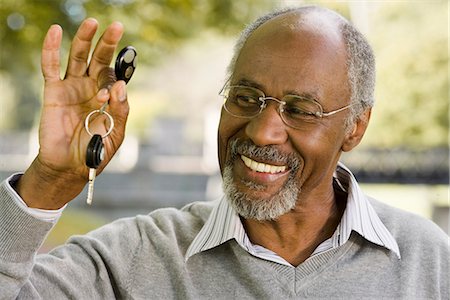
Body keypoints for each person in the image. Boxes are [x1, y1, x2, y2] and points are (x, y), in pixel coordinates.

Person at [0, 5, 448, 299]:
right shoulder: (134, 258)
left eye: (300, 109)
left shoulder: (426, 261)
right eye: (247, 98)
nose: (264, 130)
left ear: (355, 127)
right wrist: (47, 183)